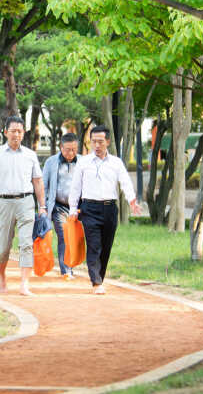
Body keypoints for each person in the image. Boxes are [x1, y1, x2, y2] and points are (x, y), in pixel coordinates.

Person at [68, 125, 140, 295]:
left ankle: (99, 277)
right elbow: (75, 187)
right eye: (94, 142)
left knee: (106, 246)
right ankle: (96, 281)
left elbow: (125, 182)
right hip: (89, 208)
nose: (97, 145)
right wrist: (72, 208)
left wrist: (132, 200)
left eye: (100, 141)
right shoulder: (83, 162)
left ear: (107, 141)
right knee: (94, 245)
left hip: (109, 209)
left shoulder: (116, 163)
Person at [0, 116, 47, 296]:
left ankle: (24, 284)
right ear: (5, 132)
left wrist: (42, 206)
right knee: (3, 246)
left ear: (23, 133)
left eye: (20, 131)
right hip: (3, 202)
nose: (16, 134)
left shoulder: (30, 155)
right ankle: (2, 279)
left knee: (26, 243)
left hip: (26, 201)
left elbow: (38, 181)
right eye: (13, 131)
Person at [38, 132, 79, 280]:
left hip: (77, 207)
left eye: (74, 149)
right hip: (58, 206)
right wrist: (42, 206)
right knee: (64, 236)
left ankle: (71, 265)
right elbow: (43, 185)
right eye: (68, 149)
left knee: (74, 238)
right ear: (61, 147)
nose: (71, 152)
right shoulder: (51, 162)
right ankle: (66, 270)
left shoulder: (82, 162)